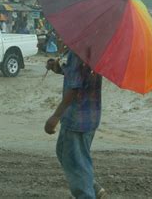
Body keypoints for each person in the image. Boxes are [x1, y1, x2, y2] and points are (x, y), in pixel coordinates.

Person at [45, 50, 107, 198]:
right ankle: (92, 186)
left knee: (76, 162)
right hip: (90, 116)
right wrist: (59, 68)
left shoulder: (78, 52)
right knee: (65, 153)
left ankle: (87, 192)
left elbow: (74, 87)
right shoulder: (96, 48)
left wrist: (55, 116)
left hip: (76, 118)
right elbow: (80, 75)